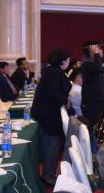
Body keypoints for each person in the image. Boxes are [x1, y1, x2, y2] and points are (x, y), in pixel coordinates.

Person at [31, 48, 73, 181]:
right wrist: (65, 100)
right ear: (63, 61)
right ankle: (48, 175)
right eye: (68, 60)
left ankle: (49, 174)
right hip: (49, 114)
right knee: (52, 145)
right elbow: (53, 94)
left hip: (49, 112)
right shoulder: (54, 72)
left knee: (53, 144)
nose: (69, 63)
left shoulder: (53, 71)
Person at [79, 41, 104, 127]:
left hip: (96, 102)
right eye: (98, 48)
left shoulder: (94, 63)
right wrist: (96, 54)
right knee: (90, 128)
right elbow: (98, 68)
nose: (100, 50)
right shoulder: (86, 64)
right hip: (91, 103)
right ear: (91, 50)